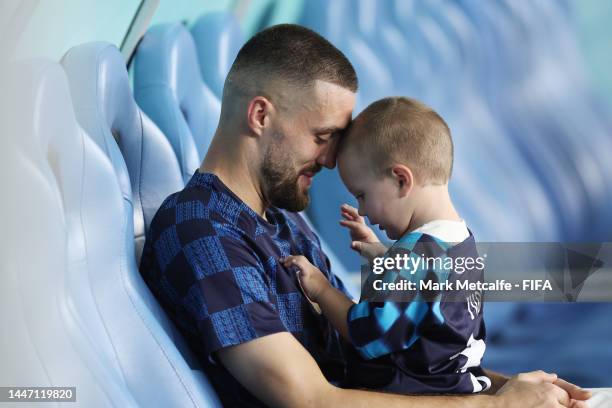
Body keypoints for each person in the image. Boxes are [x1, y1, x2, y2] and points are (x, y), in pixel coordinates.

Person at [139, 24, 591, 407]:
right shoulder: (204, 231)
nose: (333, 161)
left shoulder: (282, 221)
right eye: (323, 136)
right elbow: (312, 399)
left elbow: (397, 354)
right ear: (260, 115)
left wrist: (505, 387)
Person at [282, 96, 490, 395]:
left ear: (401, 180)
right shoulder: (460, 241)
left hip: (413, 393)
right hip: (453, 384)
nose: (363, 211)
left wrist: (321, 289)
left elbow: (368, 335)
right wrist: (384, 255)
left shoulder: (418, 257)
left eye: (363, 195)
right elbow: (430, 302)